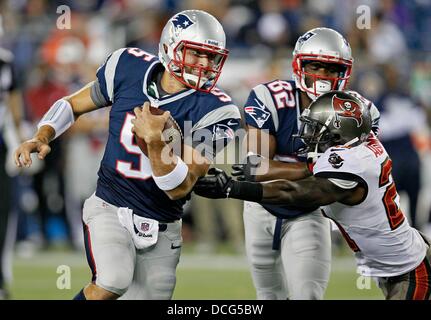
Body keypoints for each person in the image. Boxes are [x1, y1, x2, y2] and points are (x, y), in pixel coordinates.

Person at [14, 10, 241, 300]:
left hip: (163, 223)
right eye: (196, 53)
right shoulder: (128, 67)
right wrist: (42, 135)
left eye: (212, 57)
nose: (204, 64)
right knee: (112, 280)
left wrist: (156, 142)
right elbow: (73, 104)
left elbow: (180, 187)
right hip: (110, 206)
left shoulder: (218, 110)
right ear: (171, 47)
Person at [194, 91, 431, 300]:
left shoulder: (354, 163)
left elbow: (296, 193)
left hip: (409, 268)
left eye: (317, 128)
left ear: (339, 133)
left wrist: (232, 189)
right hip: (398, 259)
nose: (309, 134)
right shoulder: (356, 148)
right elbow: (310, 170)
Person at [231, 27, 380, 299]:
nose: (323, 76)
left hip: (310, 210)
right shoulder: (271, 98)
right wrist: (313, 168)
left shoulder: (358, 112)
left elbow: (351, 178)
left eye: (331, 69)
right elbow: (255, 168)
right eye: (315, 66)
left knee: (307, 295)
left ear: (343, 73)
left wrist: (310, 172)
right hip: (260, 208)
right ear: (299, 64)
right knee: (268, 296)